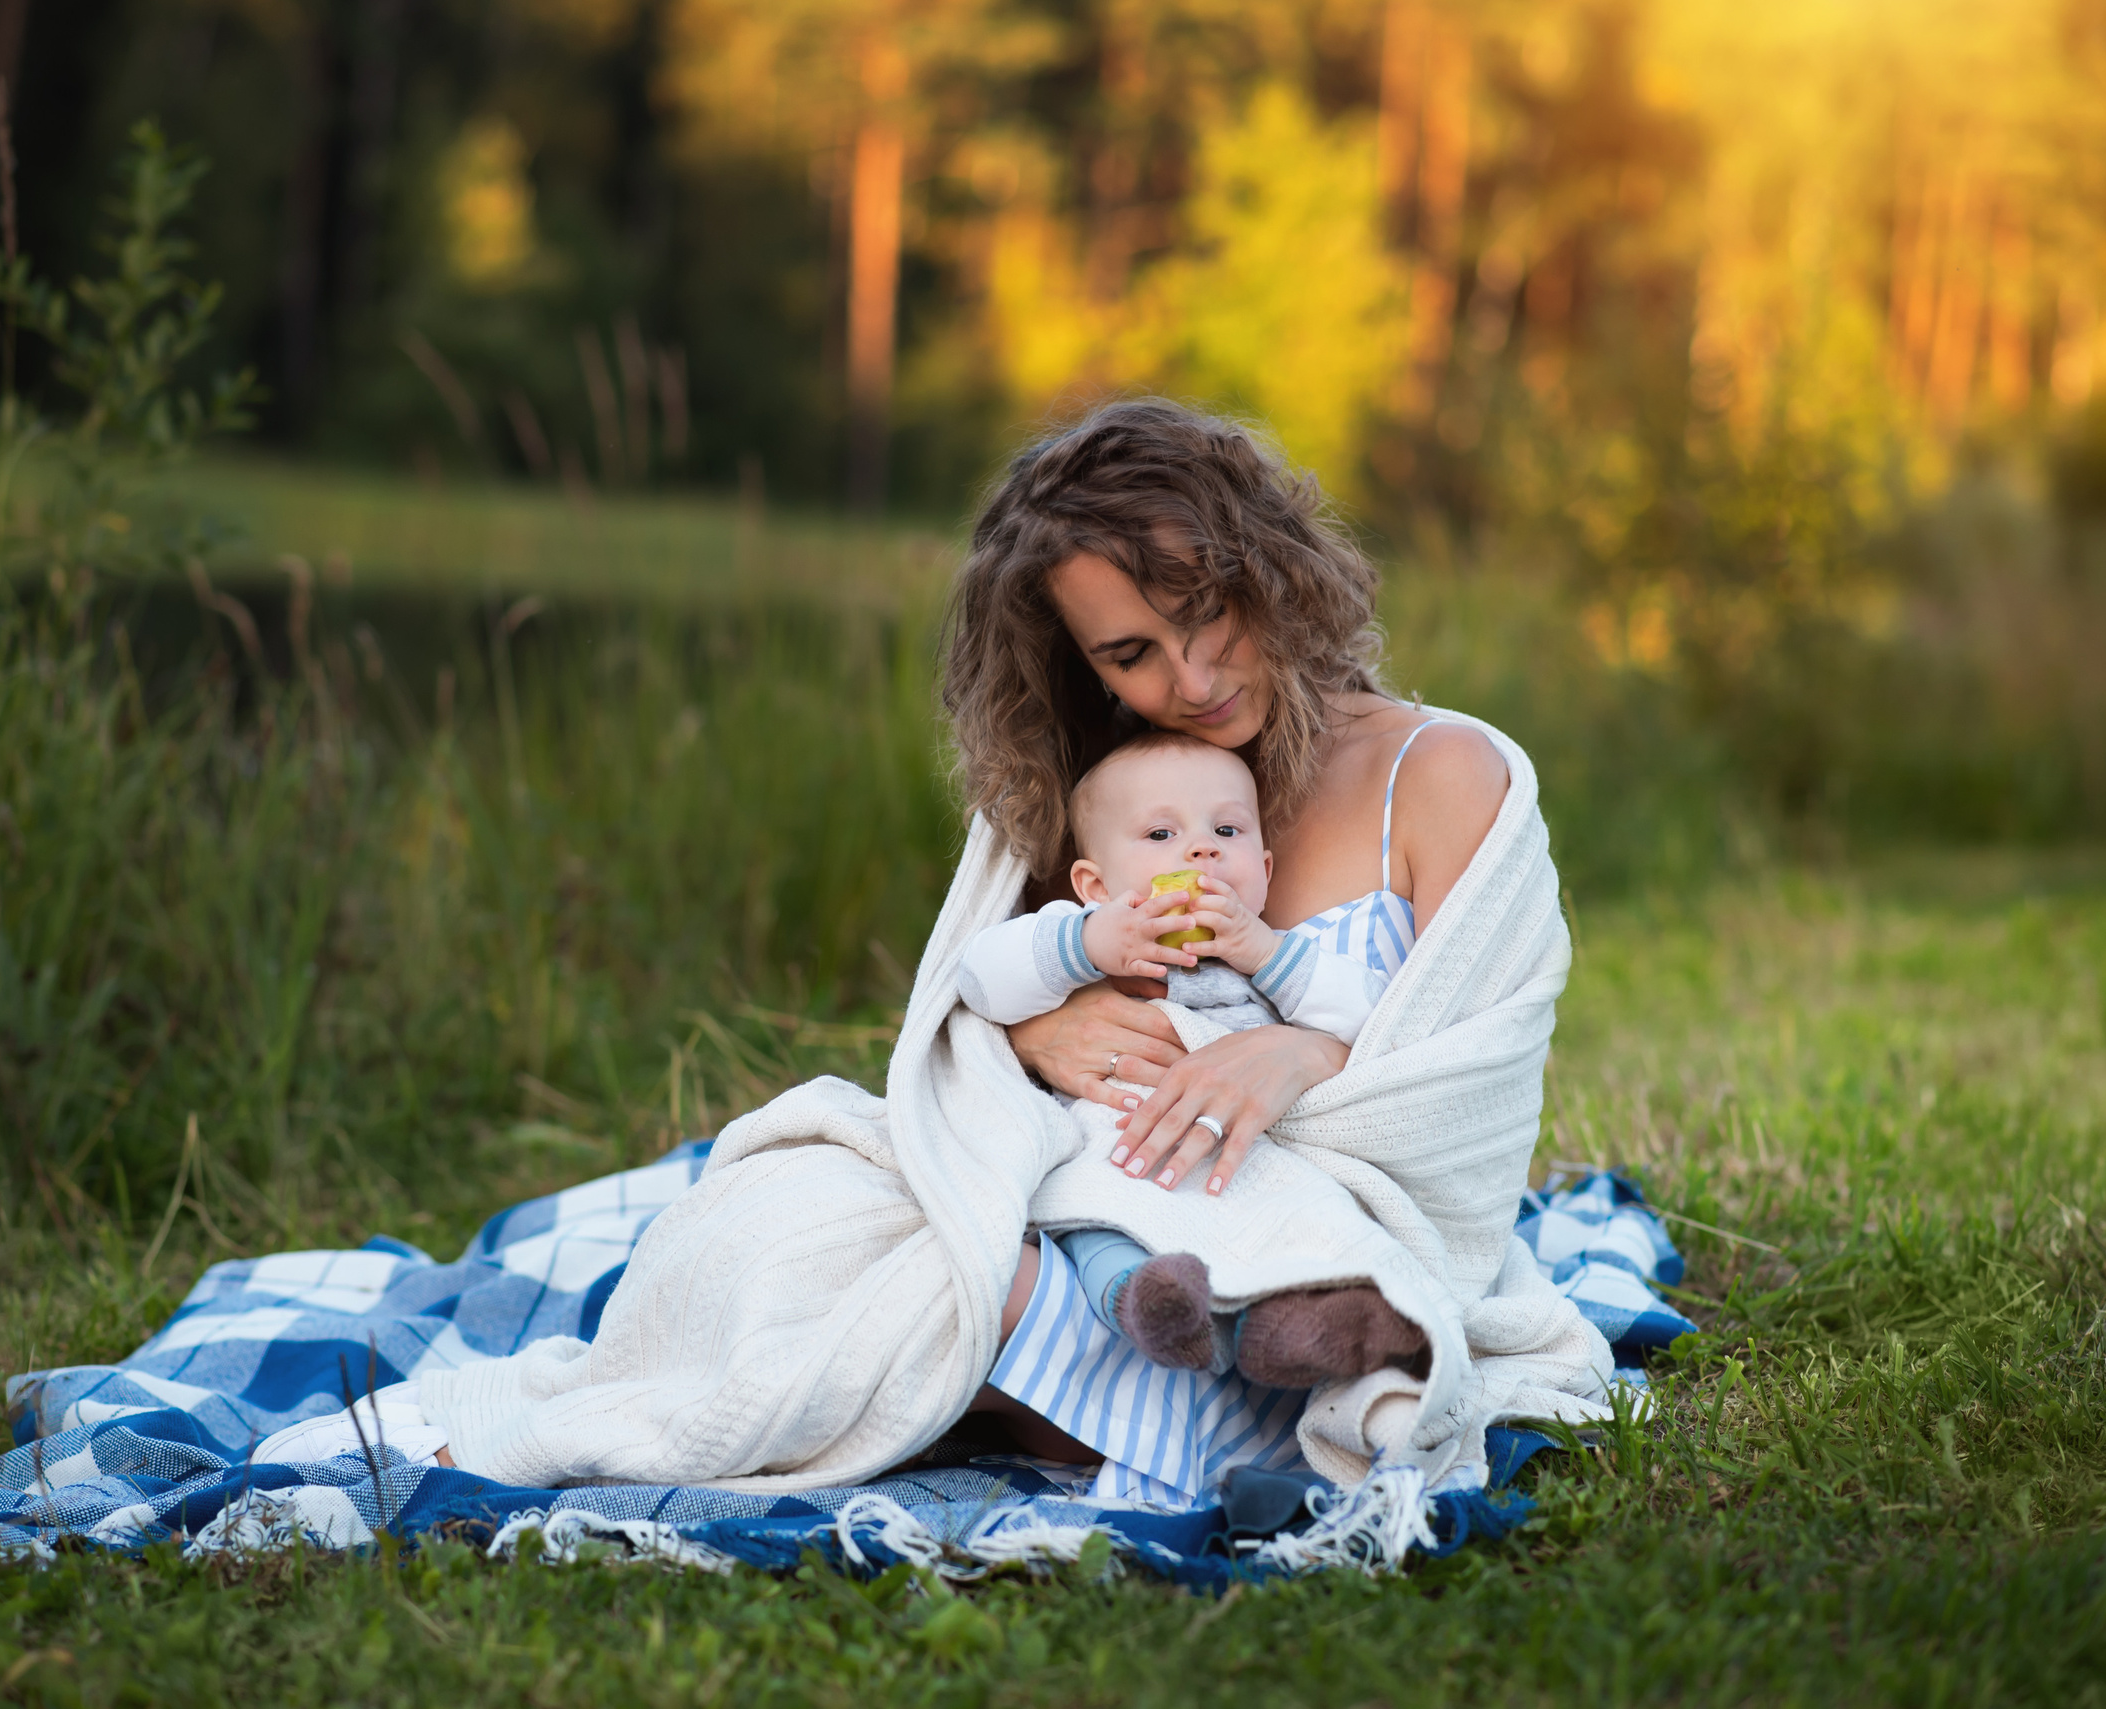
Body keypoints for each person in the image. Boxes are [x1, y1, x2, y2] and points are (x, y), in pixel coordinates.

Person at [263, 398, 1592, 1497]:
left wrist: (1296, 1053)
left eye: (1208, 608)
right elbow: (964, 1025)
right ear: (1077, 666)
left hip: (1303, 1279)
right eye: (1131, 651)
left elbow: (1456, 1117)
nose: (1190, 677)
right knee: (782, 1214)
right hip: (1082, 1210)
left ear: (1272, 564)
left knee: (965, 1305)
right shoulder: (1111, 781)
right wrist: (1025, 1035)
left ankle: (1068, 1399)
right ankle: (960, 1387)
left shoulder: (1445, 774)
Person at [954, 727, 1431, 1381]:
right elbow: (978, 979)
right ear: (1094, 883)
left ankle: (1287, 1327)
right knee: (1088, 1216)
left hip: (1239, 1161)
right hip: (1115, 1150)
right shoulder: (1081, 941)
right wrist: (1089, 944)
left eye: (1228, 832)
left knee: (1304, 1212)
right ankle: (1143, 1300)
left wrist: (1264, 950)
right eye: (1160, 835)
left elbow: (1378, 1020)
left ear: (1262, 875)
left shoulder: (1276, 961)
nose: (1201, 848)